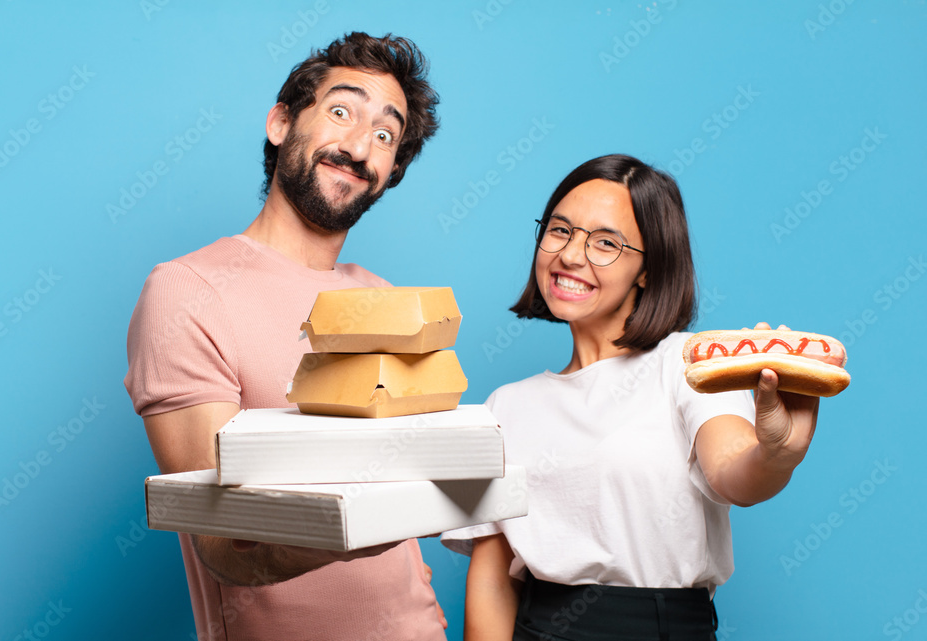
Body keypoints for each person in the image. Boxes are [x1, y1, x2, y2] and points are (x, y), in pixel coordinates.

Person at [124, 32, 447, 641]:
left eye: (385, 135)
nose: (358, 146)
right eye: (341, 111)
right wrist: (368, 523)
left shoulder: (384, 298)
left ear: (391, 171)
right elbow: (223, 543)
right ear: (280, 123)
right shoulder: (187, 289)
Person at [442, 154, 820, 641]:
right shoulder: (504, 407)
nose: (571, 256)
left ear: (648, 269)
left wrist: (778, 454)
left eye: (606, 243)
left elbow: (734, 475)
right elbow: (492, 580)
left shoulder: (688, 363)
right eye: (560, 230)